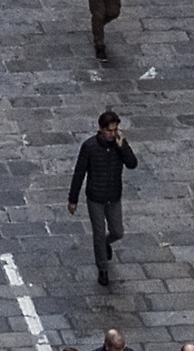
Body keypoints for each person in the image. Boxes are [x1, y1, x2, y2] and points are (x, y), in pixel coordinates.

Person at [68, 109, 137, 287]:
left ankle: (106, 244)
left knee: (117, 231)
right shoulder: (89, 147)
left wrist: (124, 147)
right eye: (109, 130)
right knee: (98, 234)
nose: (112, 134)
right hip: (95, 197)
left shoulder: (119, 145)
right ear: (100, 129)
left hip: (113, 196)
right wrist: (73, 199)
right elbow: (79, 173)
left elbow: (132, 164)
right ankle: (103, 269)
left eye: (115, 130)